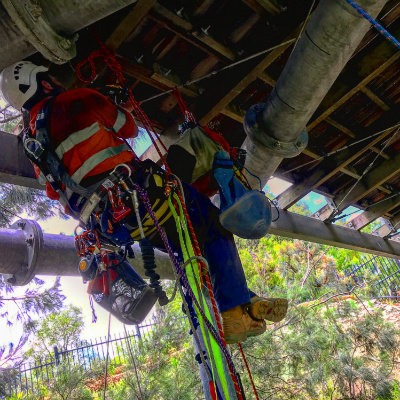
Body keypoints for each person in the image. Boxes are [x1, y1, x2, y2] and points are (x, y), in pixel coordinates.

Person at [0, 61, 288, 343]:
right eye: (51, 79)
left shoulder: (33, 146)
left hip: (114, 226)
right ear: (45, 83)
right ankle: (234, 312)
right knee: (213, 226)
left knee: (192, 250)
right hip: (143, 198)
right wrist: (108, 102)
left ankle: (241, 301)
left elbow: (55, 193)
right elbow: (128, 128)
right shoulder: (75, 99)